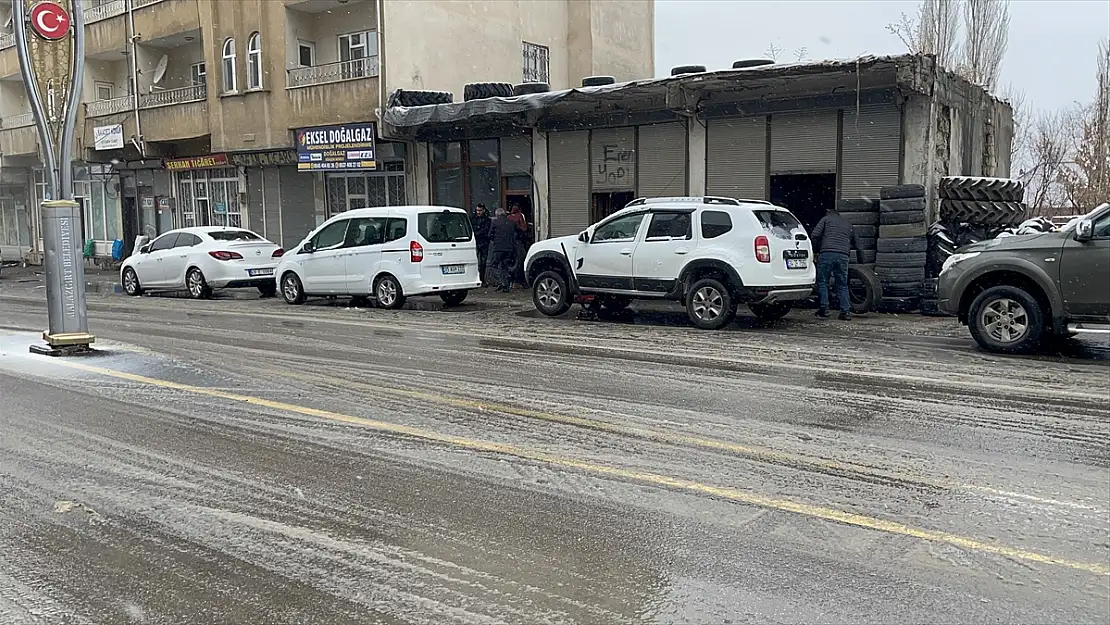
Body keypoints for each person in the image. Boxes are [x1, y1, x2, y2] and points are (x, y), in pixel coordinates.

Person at [810, 206, 864, 320]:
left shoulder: (825, 220)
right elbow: (859, 247)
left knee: (822, 281)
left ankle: (824, 309)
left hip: (827, 254)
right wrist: (862, 266)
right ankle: (845, 312)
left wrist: (815, 251)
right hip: (843, 256)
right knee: (842, 284)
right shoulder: (848, 225)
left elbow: (815, 235)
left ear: (828, 213)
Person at [487, 207, 517, 292]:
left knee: (494, 265)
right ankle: (506, 285)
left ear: (497, 215)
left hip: (498, 248)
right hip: (509, 248)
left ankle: (501, 282)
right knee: (505, 266)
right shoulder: (511, 223)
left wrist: (495, 240)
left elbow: (489, 235)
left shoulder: (495, 222)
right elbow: (516, 233)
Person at [471, 204, 491, 285]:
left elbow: (486, 230)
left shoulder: (486, 219)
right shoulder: (473, 218)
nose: (478, 212)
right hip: (475, 241)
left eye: (480, 210)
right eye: (477, 210)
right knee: (475, 261)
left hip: (484, 242)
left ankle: (482, 279)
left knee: (483, 262)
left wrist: (477, 233)